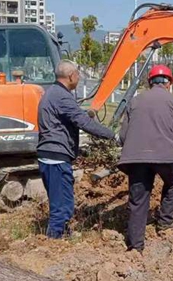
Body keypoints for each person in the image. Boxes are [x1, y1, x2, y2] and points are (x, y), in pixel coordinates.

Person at [37, 60, 117, 238]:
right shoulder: (62, 96)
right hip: (56, 157)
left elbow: (73, 117)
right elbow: (83, 122)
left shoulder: (53, 93)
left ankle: (62, 235)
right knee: (61, 207)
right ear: (71, 76)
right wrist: (112, 136)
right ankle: (53, 242)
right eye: (78, 75)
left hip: (52, 155)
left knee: (63, 202)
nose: (79, 78)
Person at [118, 65, 173, 252]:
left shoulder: (134, 101)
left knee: (138, 200)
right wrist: (172, 146)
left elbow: (123, 136)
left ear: (150, 82)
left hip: (135, 158)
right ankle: (165, 222)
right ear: (168, 83)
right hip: (165, 157)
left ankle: (135, 246)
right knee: (172, 182)